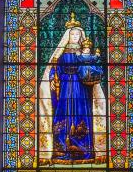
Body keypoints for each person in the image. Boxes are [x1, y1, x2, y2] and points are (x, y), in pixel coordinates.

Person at [38, 12, 106, 164]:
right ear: (67, 36)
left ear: (81, 36)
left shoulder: (84, 54)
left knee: (81, 113)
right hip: (65, 86)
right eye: (72, 34)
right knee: (63, 112)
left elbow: (91, 67)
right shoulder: (60, 54)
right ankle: (61, 148)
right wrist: (53, 79)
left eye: (77, 34)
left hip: (81, 87)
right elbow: (53, 70)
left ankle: (84, 150)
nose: (75, 37)